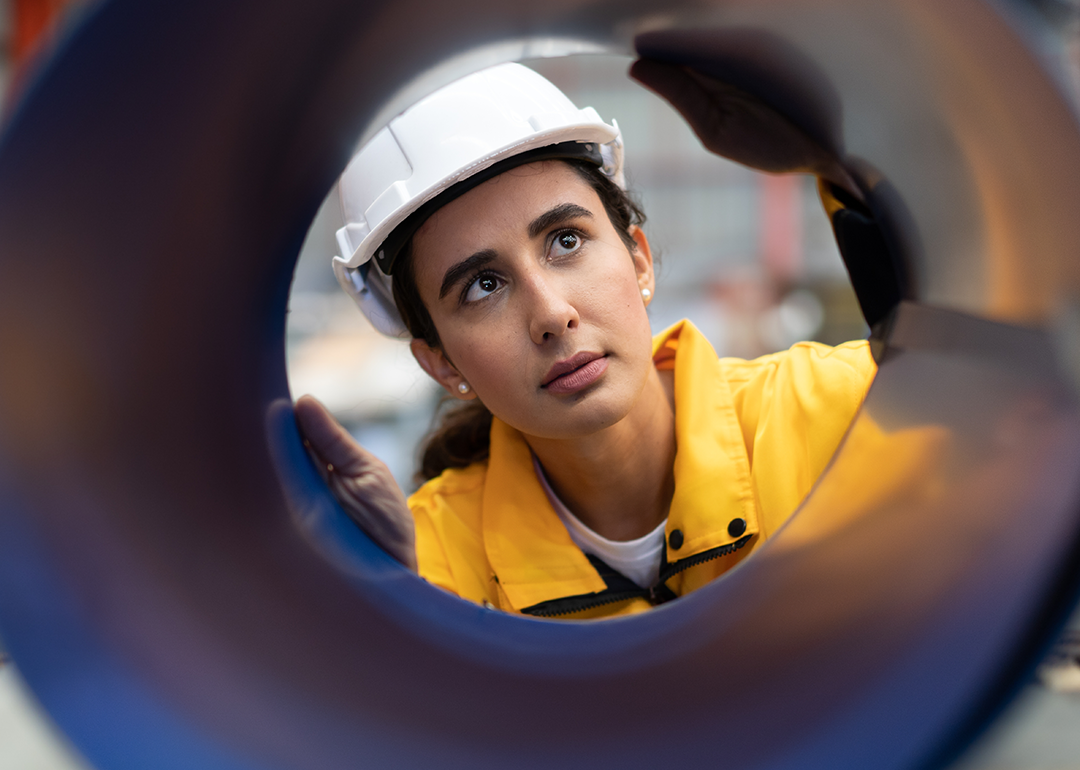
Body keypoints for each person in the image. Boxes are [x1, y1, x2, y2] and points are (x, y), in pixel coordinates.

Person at [295, 62, 877, 619]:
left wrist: (858, 172)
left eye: (565, 241)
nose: (552, 314)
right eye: (483, 285)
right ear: (443, 365)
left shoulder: (848, 411)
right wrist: (397, 615)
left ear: (639, 260)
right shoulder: (431, 568)